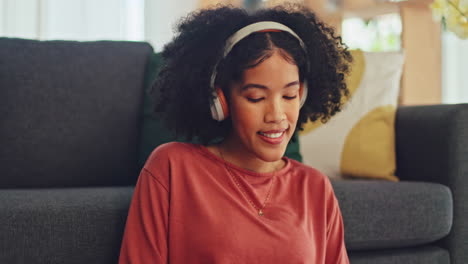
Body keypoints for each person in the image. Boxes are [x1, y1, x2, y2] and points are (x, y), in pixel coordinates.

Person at [119, 3, 352, 263]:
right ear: (220, 99)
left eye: (289, 95)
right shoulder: (171, 168)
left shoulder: (315, 187)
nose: (276, 115)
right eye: (255, 97)